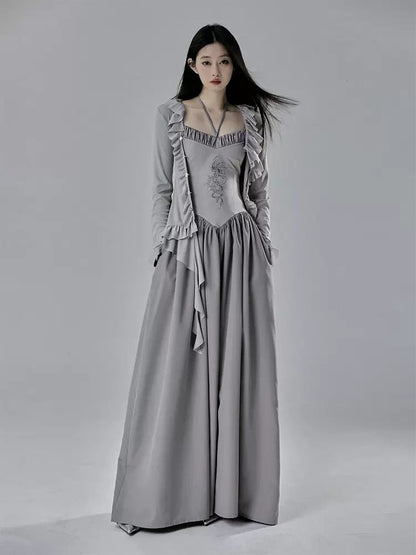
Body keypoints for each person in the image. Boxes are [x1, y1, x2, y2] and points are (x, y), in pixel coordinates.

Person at [110, 23, 298, 535]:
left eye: (225, 61)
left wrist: (263, 246)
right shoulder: (170, 116)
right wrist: (163, 246)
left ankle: (234, 494)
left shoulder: (250, 119)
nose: (216, 70)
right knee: (175, 367)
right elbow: (161, 190)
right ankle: (168, 497)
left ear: (234, 66)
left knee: (239, 370)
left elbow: (257, 193)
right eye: (207, 61)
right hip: (188, 252)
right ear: (192, 65)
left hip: (241, 253)